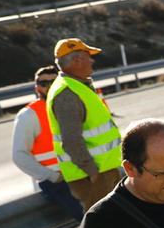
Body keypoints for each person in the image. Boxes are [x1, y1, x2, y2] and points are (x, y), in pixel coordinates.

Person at [46, 37, 122, 210]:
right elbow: (71, 140)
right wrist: (93, 173)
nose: (92, 60)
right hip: (93, 177)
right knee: (105, 227)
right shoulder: (67, 93)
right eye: (88, 55)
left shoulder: (76, 86)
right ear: (77, 60)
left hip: (102, 173)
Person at [12, 65, 83, 219]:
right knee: (91, 219)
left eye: (53, 81)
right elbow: (19, 155)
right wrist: (51, 176)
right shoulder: (29, 116)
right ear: (37, 88)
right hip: (58, 183)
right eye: (43, 84)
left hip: (81, 175)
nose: (49, 87)